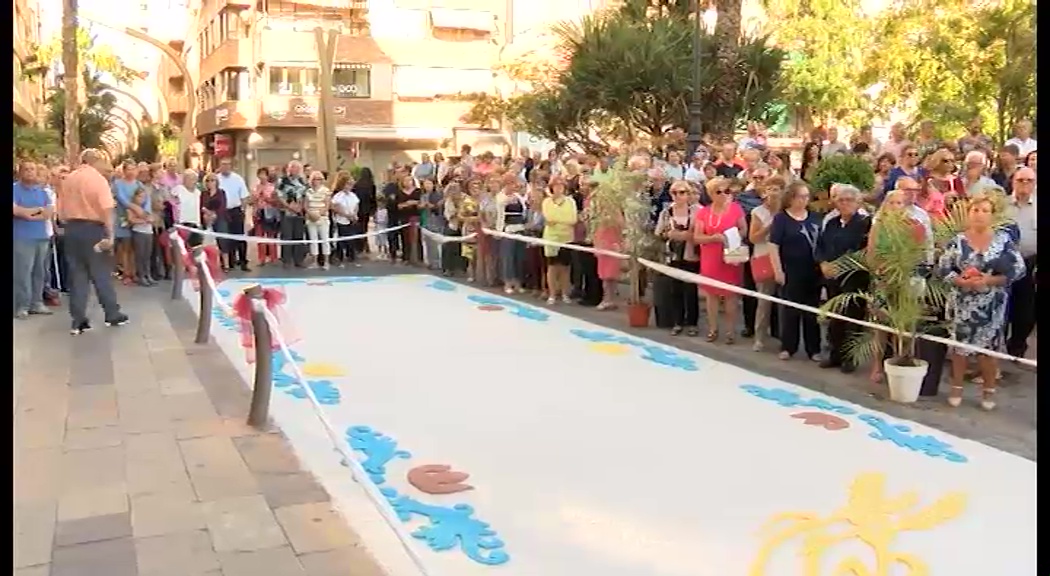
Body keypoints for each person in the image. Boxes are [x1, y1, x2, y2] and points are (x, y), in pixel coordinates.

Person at [936, 191, 1026, 410]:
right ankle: (956, 387)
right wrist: (960, 280)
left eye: (985, 211)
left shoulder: (1003, 241)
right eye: (975, 210)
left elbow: (1019, 269)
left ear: (992, 215)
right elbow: (943, 268)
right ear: (969, 213)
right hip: (962, 301)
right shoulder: (958, 240)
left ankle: (988, 392)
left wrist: (991, 279)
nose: (979, 214)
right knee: (960, 348)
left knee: (988, 349)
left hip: (992, 303)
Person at [57, 149, 128, 334]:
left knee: (77, 275)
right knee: (101, 273)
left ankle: (78, 320)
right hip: (93, 229)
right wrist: (110, 235)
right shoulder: (97, 179)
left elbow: (61, 209)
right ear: (95, 161)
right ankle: (112, 313)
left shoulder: (68, 179)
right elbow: (106, 208)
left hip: (72, 229)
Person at [814, 184, 871, 373]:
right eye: (841, 200)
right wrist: (823, 263)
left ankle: (850, 358)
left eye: (849, 200)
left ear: (857, 203)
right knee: (834, 317)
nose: (844, 203)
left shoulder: (864, 224)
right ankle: (834, 354)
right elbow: (821, 246)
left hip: (854, 278)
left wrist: (842, 265)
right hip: (832, 279)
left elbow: (863, 251)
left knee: (853, 318)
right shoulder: (831, 223)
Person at [768, 181, 822, 361]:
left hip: (812, 270)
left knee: (812, 311)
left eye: (807, 196)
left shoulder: (814, 217)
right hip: (790, 269)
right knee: (790, 310)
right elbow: (773, 245)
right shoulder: (781, 219)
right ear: (791, 198)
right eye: (800, 196)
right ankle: (788, 346)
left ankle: (813, 348)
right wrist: (778, 270)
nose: (804, 200)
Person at [694, 177, 747, 343]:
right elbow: (697, 237)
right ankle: (713, 328)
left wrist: (733, 236)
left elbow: (744, 229)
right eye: (719, 192)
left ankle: (730, 331)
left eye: (727, 191)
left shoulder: (736, 209)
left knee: (731, 295)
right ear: (710, 194)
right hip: (711, 256)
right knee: (712, 295)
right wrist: (712, 238)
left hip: (731, 254)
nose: (724, 194)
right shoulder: (704, 212)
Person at [656, 181, 700, 335]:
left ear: (688, 194)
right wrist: (669, 234)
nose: (678, 196)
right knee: (676, 290)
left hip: (691, 254)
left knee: (690, 290)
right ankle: (678, 322)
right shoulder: (666, 212)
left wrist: (689, 236)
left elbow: (703, 232)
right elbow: (658, 233)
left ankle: (692, 323)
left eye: (682, 192)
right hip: (673, 255)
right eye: (674, 193)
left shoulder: (697, 211)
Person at [13, 161, 54, 318]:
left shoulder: (42, 191)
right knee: (22, 272)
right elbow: (17, 211)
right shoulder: (14, 189)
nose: (30, 172)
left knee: (40, 271)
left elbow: (48, 213)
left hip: (41, 236)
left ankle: (37, 303)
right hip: (22, 237)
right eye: (26, 169)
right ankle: (21, 305)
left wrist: (30, 213)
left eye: (32, 169)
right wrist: (36, 211)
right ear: (20, 172)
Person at [747, 176, 784, 351]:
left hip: (785, 258)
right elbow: (753, 238)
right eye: (770, 189)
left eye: (777, 189)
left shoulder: (787, 211)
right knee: (764, 301)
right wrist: (771, 224)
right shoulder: (757, 212)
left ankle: (784, 338)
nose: (774, 193)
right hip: (764, 257)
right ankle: (759, 337)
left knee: (784, 301)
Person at [1004, 168, 1037, 359]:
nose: (1025, 184)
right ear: (1013, 182)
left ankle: (1017, 346)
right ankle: (993, 352)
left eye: (1029, 180)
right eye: (1020, 180)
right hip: (1004, 263)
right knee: (1002, 309)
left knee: (1026, 312)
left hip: (1030, 263)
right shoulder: (1002, 205)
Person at [542, 175, 578, 304]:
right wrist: (561, 220)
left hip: (566, 238)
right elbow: (549, 218)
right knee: (552, 267)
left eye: (561, 186)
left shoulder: (570, 201)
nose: (559, 188)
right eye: (556, 186)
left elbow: (572, 219)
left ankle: (565, 294)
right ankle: (552, 294)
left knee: (565, 268)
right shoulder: (546, 202)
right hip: (551, 238)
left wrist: (558, 220)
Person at [216, 157, 251, 271]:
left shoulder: (238, 179)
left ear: (231, 166)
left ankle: (243, 262)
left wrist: (243, 210)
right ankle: (228, 263)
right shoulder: (216, 179)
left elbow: (244, 196)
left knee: (239, 237)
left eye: (227, 164)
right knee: (224, 237)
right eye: (223, 164)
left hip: (235, 210)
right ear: (220, 166)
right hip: (222, 212)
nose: (225, 167)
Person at [495, 172, 527, 294]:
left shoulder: (518, 197)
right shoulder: (500, 196)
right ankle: (507, 282)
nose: (514, 186)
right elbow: (500, 214)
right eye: (512, 183)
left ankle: (517, 282)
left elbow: (524, 211)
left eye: (515, 183)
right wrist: (499, 231)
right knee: (507, 257)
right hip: (507, 229)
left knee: (519, 256)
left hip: (519, 229)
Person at [276, 161, 308, 268]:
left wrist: (301, 207)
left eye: (298, 168)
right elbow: (280, 196)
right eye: (294, 168)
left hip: (299, 212)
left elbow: (304, 195)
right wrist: (289, 207)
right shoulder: (282, 181)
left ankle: (299, 260)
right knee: (287, 236)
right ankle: (286, 260)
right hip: (287, 212)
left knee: (298, 236)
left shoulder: (302, 181)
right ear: (289, 169)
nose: (296, 170)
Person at [127, 186, 157, 286]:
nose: (142, 199)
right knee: (140, 255)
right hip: (139, 232)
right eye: (140, 197)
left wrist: (151, 220)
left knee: (147, 255)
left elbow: (153, 218)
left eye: (144, 197)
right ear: (135, 197)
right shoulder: (132, 208)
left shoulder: (146, 208)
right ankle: (141, 276)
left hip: (149, 232)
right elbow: (131, 220)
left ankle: (148, 274)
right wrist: (144, 221)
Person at [303, 170, 332, 270]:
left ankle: (326, 262)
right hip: (311, 219)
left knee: (325, 240)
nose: (317, 181)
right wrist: (310, 214)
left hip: (322, 219)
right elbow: (306, 205)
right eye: (315, 179)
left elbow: (327, 206)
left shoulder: (326, 191)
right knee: (313, 240)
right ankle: (314, 262)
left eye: (319, 179)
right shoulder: (308, 191)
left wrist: (318, 214)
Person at [330, 171, 359, 267]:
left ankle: (351, 256)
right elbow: (336, 208)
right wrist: (347, 215)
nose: (350, 186)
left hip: (351, 220)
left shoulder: (353, 195)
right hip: (341, 221)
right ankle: (339, 257)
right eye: (348, 184)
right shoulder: (338, 196)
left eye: (351, 185)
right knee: (341, 240)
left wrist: (354, 214)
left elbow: (356, 205)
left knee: (351, 239)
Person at [252, 167, 280, 266]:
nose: (262, 176)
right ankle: (261, 258)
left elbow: (276, 202)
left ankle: (273, 257)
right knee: (260, 236)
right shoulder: (256, 187)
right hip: (259, 213)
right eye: (260, 174)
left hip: (269, 213)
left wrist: (266, 198)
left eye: (264, 174)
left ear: (267, 176)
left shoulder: (272, 187)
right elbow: (253, 201)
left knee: (271, 236)